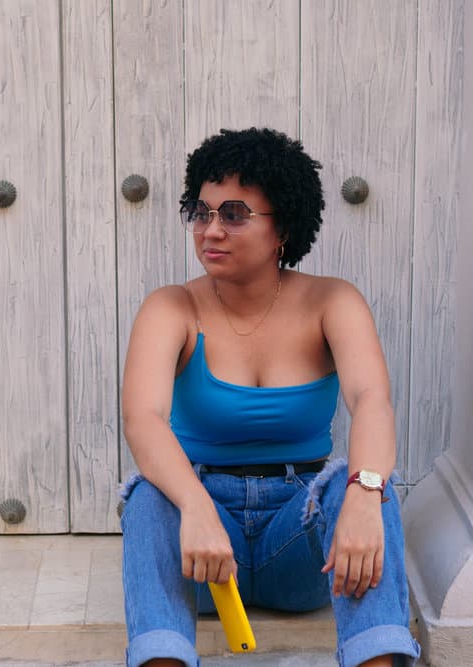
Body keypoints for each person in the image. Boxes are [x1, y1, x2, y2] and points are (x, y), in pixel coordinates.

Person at [119, 127, 421, 667]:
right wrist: (194, 506)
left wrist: (364, 492)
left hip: (298, 532)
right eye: (201, 212)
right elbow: (144, 420)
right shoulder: (171, 307)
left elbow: (372, 399)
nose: (210, 230)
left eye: (233, 214)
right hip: (202, 543)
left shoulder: (332, 300)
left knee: (366, 485)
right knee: (148, 498)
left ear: (281, 224)